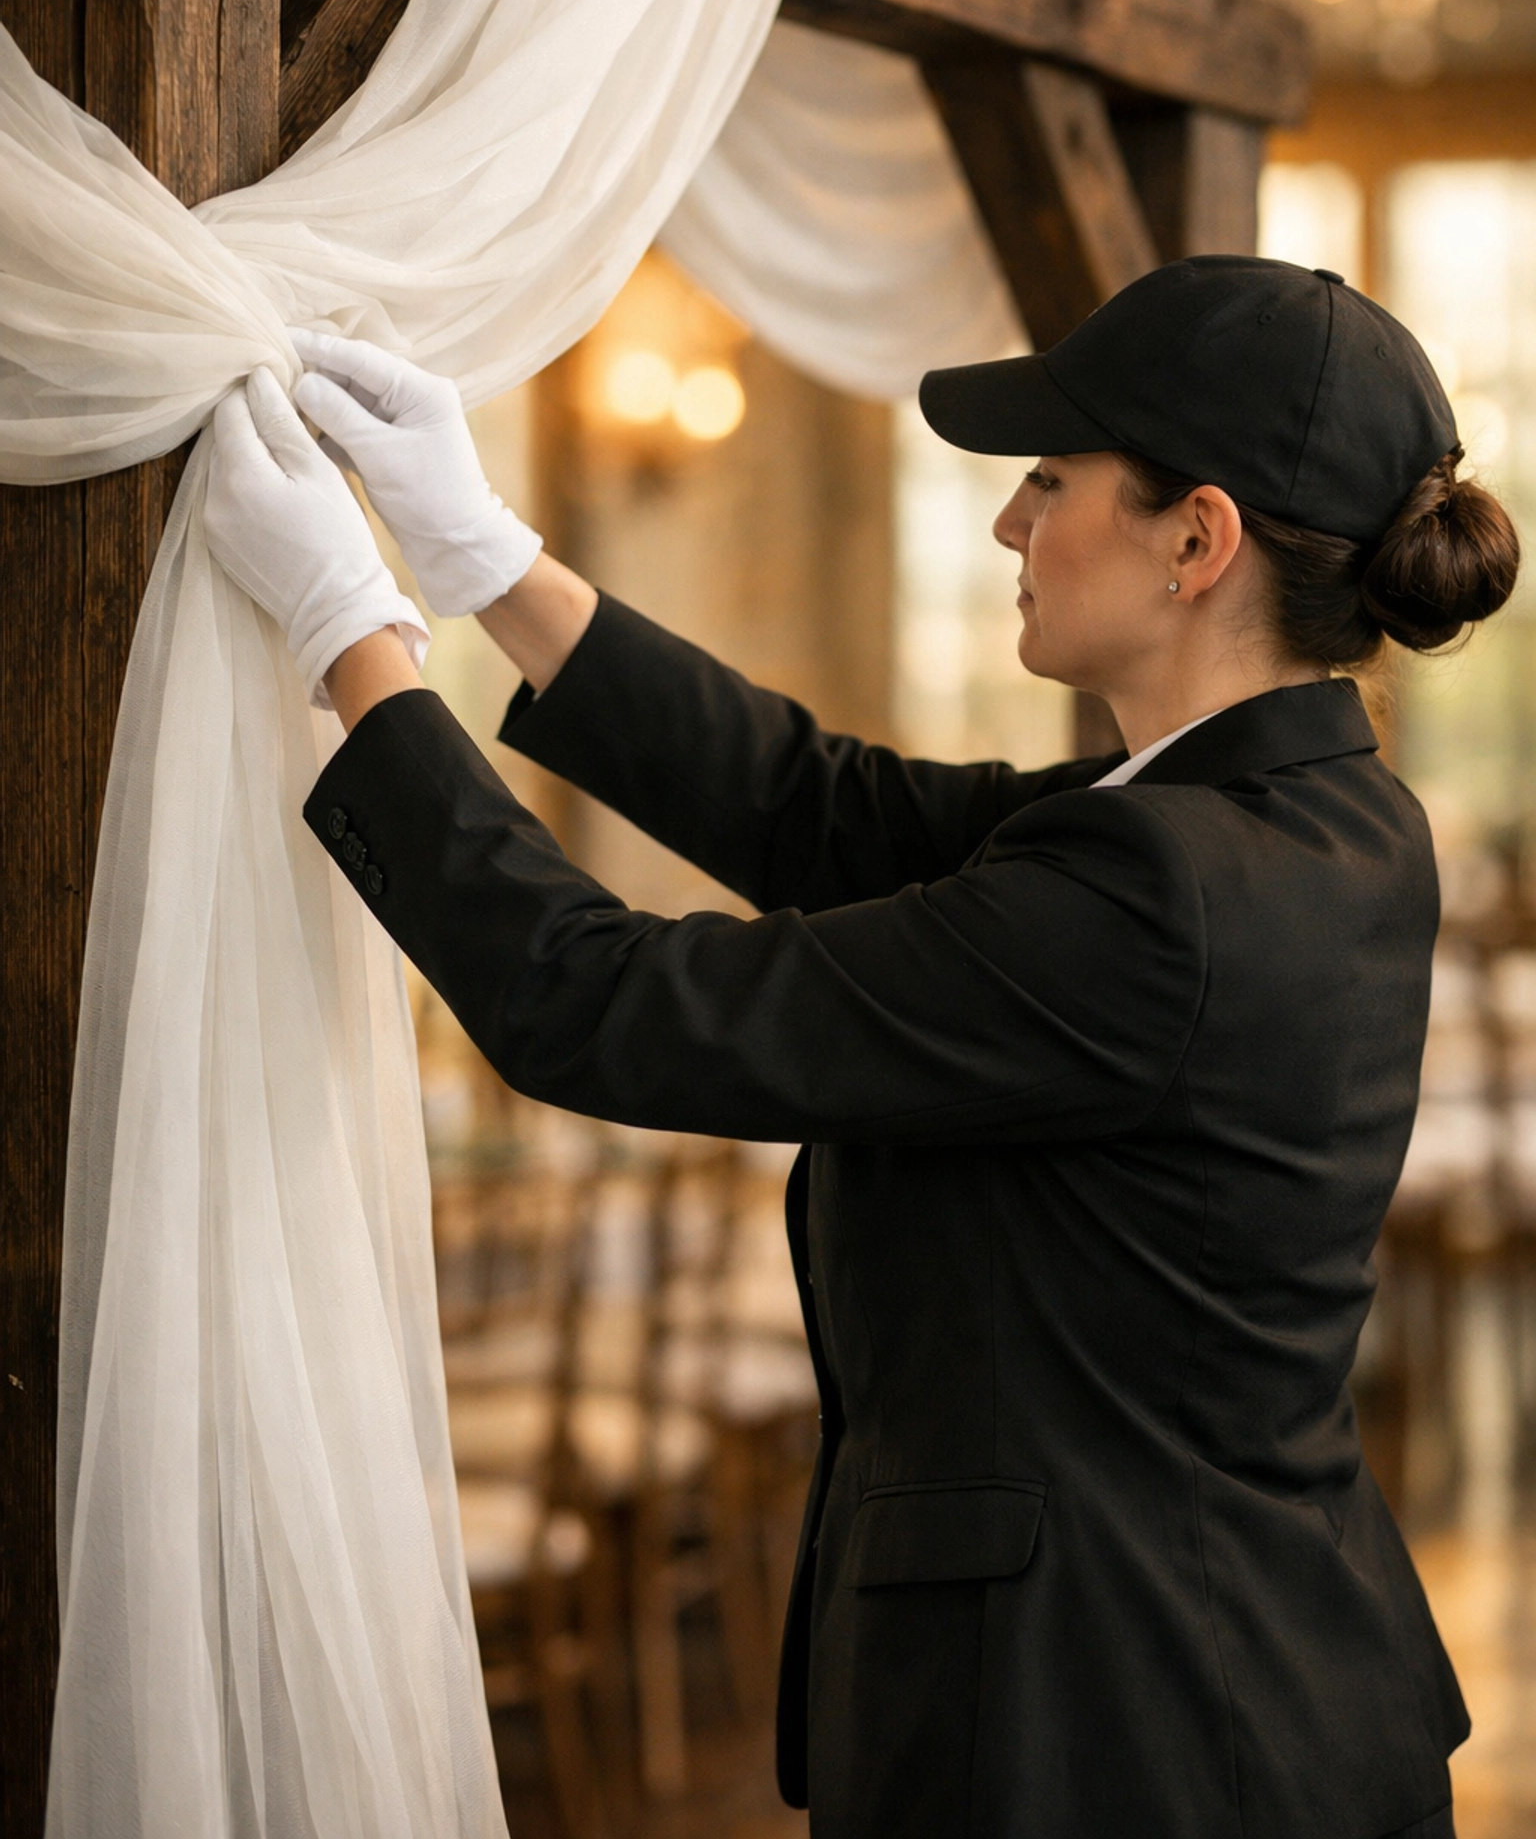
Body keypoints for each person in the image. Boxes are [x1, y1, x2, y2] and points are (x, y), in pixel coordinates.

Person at [206, 255, 1519, 1839]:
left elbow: (599, 1003)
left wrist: (358, 643)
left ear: (1199, 536)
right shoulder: (1310, 816)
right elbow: (817, 806)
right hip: (1259, 1683)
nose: (1007, 526)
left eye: (1047, 480)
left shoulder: (1162, 889)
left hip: (1117, 1734)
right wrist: (489, 557)